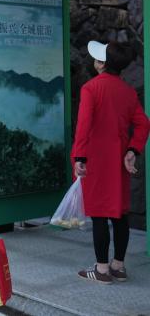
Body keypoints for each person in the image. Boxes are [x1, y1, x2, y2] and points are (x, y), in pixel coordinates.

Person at [73, 41, 149, 284]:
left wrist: (79, 157)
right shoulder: (127, 91)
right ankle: (119, 266)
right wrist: (133, 149)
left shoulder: (90, 88)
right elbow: (143, 123)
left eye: (97, 58)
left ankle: (102, 269)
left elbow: (83, 127)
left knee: (98, 215)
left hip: (95, 160)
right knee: (119, 213)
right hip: (118, 161)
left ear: (102, 64)